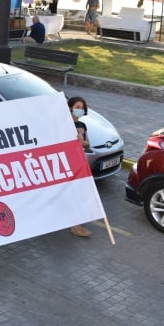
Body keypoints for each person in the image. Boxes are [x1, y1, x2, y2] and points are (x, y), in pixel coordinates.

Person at [68, 97, 93, 238]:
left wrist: (81, 141)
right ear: (70, 108)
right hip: (69, 163)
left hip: (81, 161)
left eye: (82, 107)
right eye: (77, 106)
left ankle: (75, 225)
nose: (80, 109)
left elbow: (87, 143)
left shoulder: (82, 125)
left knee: (79, 193)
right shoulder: (65, 124)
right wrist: (80, 142)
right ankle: (75, 226)